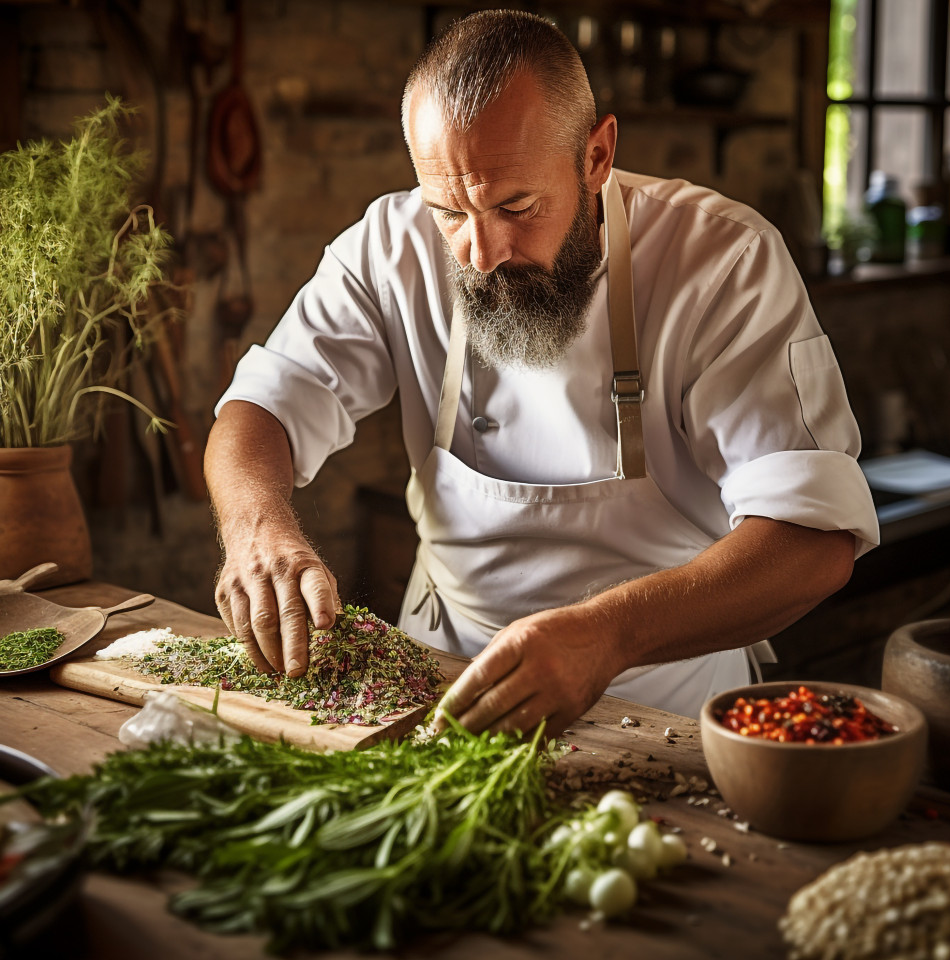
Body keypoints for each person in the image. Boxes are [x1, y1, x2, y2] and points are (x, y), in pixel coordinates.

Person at [205, 10, 879, 737]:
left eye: (516, 206)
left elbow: (812, 539)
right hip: (439, 678)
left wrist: (607, 636)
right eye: (448, 212)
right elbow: (260, 408)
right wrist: (256, 529)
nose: (480, 252)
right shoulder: (388, 248)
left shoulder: (721, 261)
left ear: (596, 156)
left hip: (659, 696)